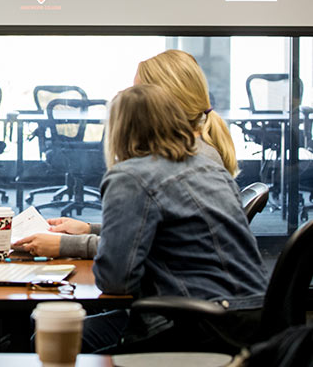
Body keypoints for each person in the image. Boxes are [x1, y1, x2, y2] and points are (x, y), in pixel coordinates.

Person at [81, 84, 266, 353]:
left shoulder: (130, 177)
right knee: (80, 333)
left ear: (119, 130)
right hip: (256, 319)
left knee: (51, 341)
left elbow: (115, 280)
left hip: (199, 325)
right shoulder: (211, 168)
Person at [16, 48, 238, 259]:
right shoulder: (198, 151)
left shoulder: (178, 164)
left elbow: (130, 255)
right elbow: (162, 233)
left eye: (138, 93)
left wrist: (65, 245)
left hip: (193, 294)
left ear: (162, 101)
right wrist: (88, 229)